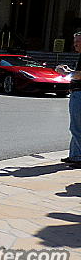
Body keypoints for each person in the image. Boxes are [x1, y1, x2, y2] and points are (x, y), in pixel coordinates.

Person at [60, 32, 81, 166]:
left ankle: (78, 157)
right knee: (75, 126)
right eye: (74, 42)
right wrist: (70, 70)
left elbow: (79, 76)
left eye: (78, 42)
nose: (75, 45)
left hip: (79, 93)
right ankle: (74, 155)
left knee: (77, 127)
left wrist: (66, 73)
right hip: (76, 93)